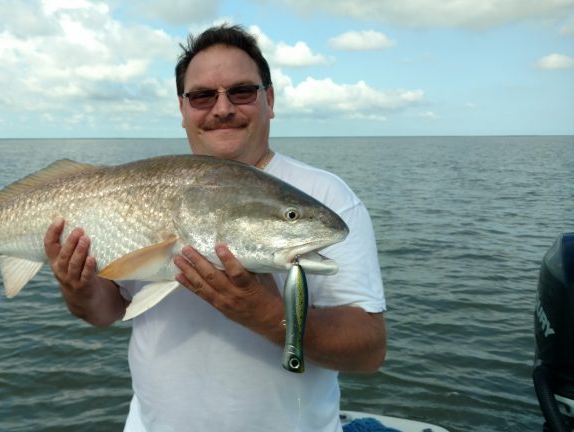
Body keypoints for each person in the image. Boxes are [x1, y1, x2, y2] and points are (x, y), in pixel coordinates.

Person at [44, 24, 387, 432]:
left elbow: (368, 350)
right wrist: (79, 290)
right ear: (183, 109)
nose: (222, 108)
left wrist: (268, 314)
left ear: (270, 100)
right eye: (203, 96)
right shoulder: (138, 186)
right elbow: (106, 312)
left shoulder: (328, 197)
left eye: (241, 91)